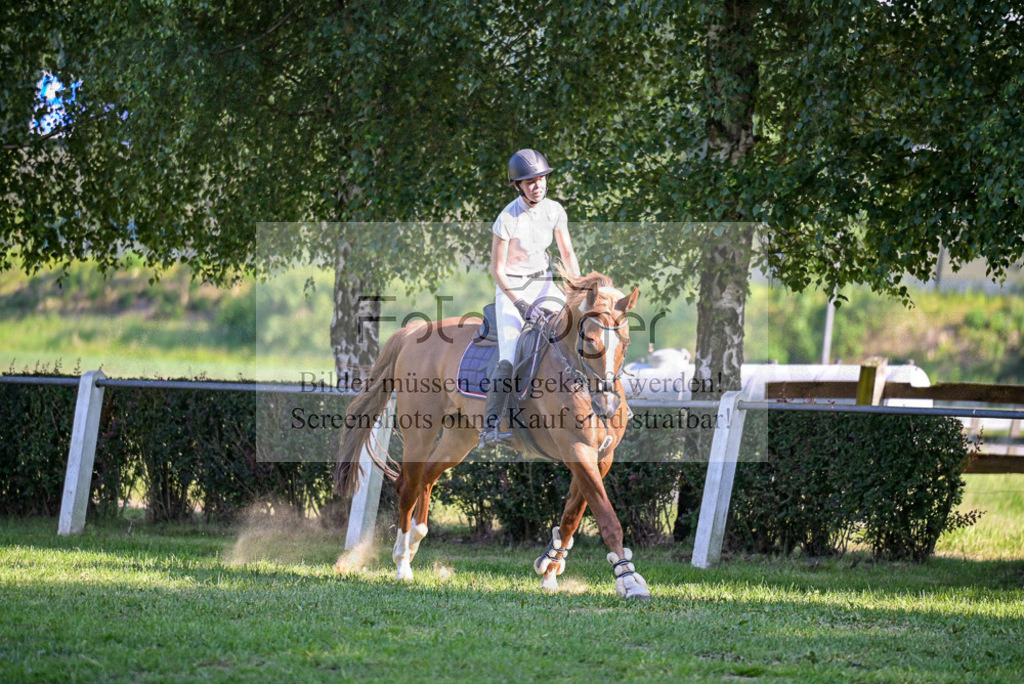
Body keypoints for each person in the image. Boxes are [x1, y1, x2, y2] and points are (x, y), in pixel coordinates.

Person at [478, 148, 581, 448]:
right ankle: (492, 425)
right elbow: (497, 270)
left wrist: (575, 290)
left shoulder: (555, 210)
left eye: (541, 179)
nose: (538, 185)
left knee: (575, 334)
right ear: (518, 185)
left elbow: (567, 254)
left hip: (545, 285)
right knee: (509, 359)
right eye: (530, 182)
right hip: (512, 290)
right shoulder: (506, 218)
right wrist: (520, 304)